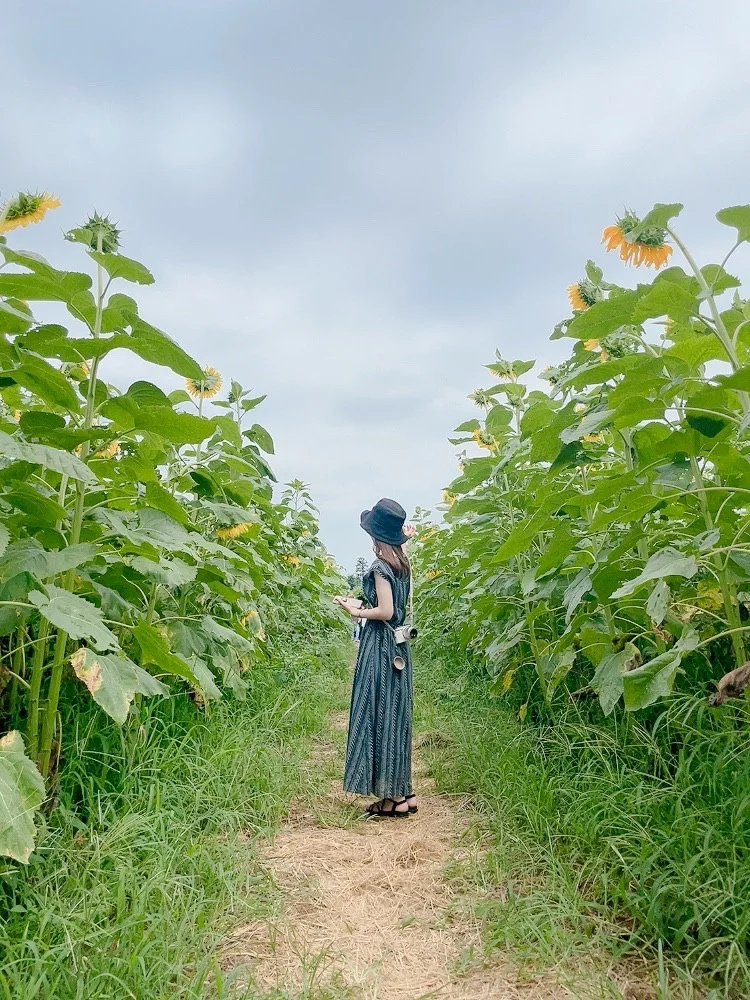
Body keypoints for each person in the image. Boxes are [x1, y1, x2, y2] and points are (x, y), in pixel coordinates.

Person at [334, 498, 417, 819]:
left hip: (380, 646)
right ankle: (403, 791)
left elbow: (385, 611)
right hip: (399, 648)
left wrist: (354, 609)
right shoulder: (402, 564)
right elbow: (395, 606)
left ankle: (391, 799)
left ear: (375, 537)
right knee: (395, 713)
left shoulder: (380, 567)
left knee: (376, 710)